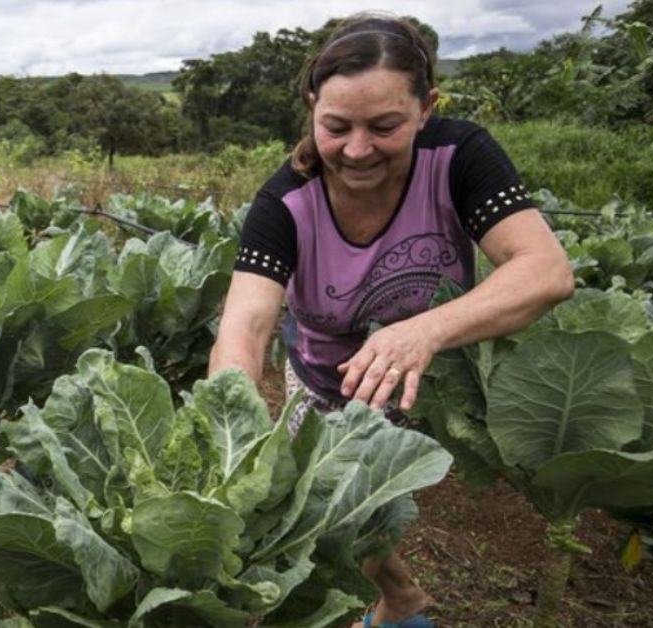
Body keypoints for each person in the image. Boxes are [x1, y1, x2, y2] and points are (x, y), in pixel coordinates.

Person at [207, 13, 574, 628]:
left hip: (433, 368)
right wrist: (234, 429)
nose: (356, 149)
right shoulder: (284, 203)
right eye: (336, 127)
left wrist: (422, 330)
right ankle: (401, 599)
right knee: (336, 500)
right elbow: (243, 327)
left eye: (384, 126)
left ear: (427, 108)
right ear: (311, 106)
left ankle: (396, 598)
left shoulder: (460, 156)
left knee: (377, 500)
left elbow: (546, 270)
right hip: (327, 378)